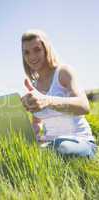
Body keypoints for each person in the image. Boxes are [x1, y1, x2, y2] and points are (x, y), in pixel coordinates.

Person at [21, 29, 97, 158]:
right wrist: (35, 131)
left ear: (46, 49)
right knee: (23, 153)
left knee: (63, 147)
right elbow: (37, 122)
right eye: (26, 52)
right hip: (50, 142)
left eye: (37, 49)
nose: (32, 57)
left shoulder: (63, 72)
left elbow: (84, 106)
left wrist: (48, 101)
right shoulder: (34, 87)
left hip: (79, 141)